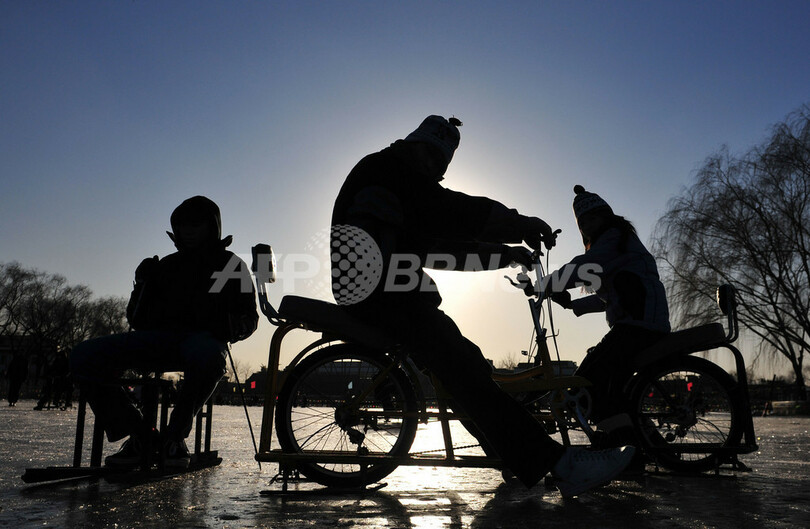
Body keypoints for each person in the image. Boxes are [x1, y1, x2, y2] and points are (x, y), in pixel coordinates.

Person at [331, 115, 634, 497]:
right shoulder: (391, 171)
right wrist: (519, 225)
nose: (436, 172)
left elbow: (443, 249)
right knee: (459, 364)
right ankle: (560, 465)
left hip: (387, 291)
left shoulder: (400, 186)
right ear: (418, 146)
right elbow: (454, 213)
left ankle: (510, 453)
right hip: (379, 294)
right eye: (433, 160)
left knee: (466, 364)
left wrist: (505, 254)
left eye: (441, 167)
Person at [70, 196, 258, 468]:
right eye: (182, 225)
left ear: (212, 227)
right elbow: (137, 319)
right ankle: (141, 434)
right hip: (158, 340)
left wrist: (229, 326)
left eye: (196, 224)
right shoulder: (166, 266)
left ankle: (174, 436)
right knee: (82, 355)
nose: (188, 231)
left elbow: (249, 317)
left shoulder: (231, 265)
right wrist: (141, 285)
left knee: (207, 354)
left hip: (202, 341)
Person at [545, 185, 671, 443]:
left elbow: (583, 267)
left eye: (592, 219)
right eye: (582, 223)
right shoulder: (619, 244)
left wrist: (546, 284)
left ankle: (623, 443)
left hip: (638, 327)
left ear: (606, 216)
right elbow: (612, 296)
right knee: (611, 387)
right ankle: (646, 443)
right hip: (641, 324)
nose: (587, 226)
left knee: (589, 383)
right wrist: (574, 305)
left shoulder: (614, 239)